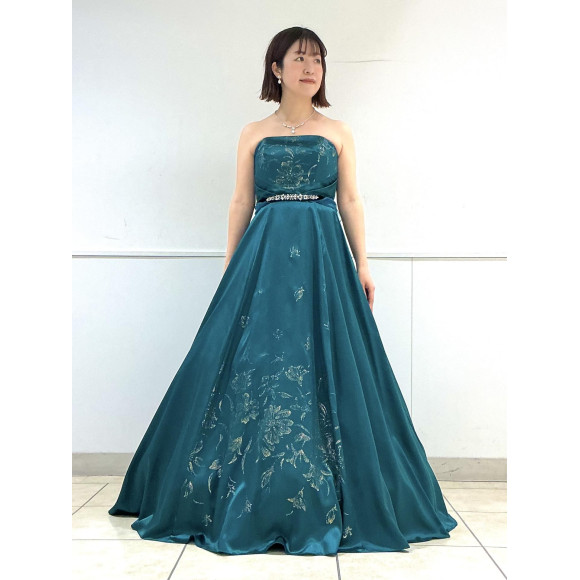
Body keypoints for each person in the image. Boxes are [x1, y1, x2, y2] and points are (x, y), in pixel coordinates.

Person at [109, 26, 458, 556]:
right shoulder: (253, 132)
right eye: (299, 58)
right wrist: (231, 266)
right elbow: (240, 201)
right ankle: (240, 489)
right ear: (276, 68)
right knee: (254, 360)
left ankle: (337, 490)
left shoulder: (339, 131)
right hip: (265, 253)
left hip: (324, 255)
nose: (310, 68)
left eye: (318, 60)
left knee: (331, 360)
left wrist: (363, 264)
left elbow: (351, 200)